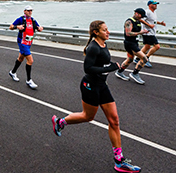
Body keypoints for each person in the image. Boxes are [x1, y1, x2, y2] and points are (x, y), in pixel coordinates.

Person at [51, 20, 142, 173]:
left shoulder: (103, 44)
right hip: (90, 86)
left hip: (102, 85)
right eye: (105, 30)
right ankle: (60, 122)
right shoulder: (93, 47)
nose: (109, 32)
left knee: (114, 120)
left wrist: (110, 65)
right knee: (88, 116)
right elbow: (88, 68)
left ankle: (119, 161)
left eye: (108, 29)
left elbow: (101, 63)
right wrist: (110, 67)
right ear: (96, 32)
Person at [8, 6, 43, 89]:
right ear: (24, 11)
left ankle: (12, 72)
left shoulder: (33, 20)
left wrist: (40, 28)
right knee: (30, 60)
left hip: (29, 42)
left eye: (31, 11)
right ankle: (29, 80)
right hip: (22, 42)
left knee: (20, 58)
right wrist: (17, 27)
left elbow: (38, 28)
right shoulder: (21, 19)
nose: (30, 12)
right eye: (28, 11)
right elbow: (11, 27)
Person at [115, 8, 149, 85]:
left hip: (134, 42)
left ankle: (119, 72)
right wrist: (140, 32)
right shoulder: (129, 22)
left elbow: (149, 23)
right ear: (136, 13)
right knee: (144, 58)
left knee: (130, 59)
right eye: (141, 16)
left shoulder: (138, 21)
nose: (141, 18)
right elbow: (128, 33)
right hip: (130, 43)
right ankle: (135, 73)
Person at [138, 0, 166, 68]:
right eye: (154, 4)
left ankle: (138, 58)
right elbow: (141, 19)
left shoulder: (153, 13)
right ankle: (146, 58)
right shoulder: (147, 12)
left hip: (151, 32)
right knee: (157, 46)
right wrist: (149, 26)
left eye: (156, 4)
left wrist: (160, 23)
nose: (156, 5)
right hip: (148, 32)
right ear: (150, 5)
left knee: (147, 46)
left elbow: (154, 22)